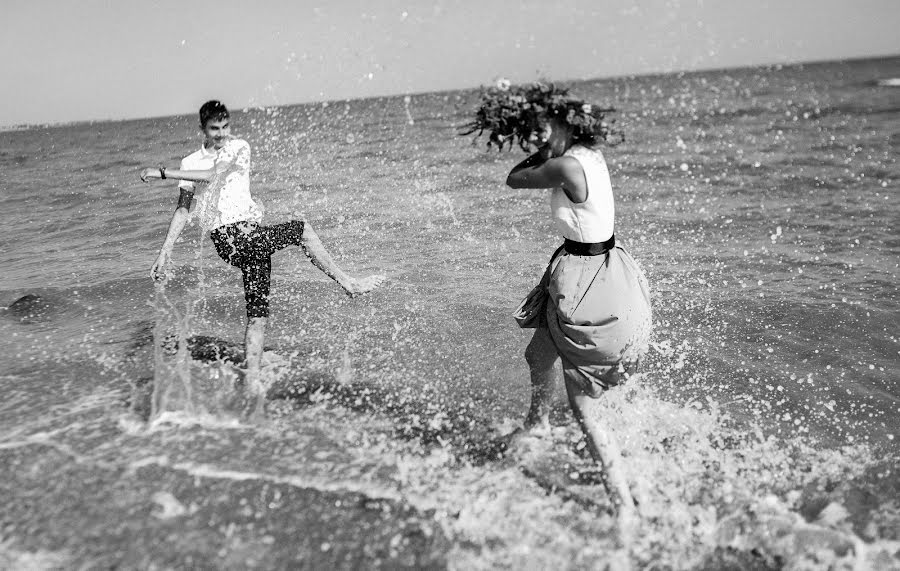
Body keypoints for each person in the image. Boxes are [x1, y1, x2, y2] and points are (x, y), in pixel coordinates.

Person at [463, 82, 652, 525]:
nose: (534, 139)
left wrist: (542, 148)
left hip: (588, 280)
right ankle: (538, 424)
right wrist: (548, 136)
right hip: (588, 266)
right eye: (528, 131)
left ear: (564, 125)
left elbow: (514, 179)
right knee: (538, 354)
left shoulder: (566, 166)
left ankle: (621, 504)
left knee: (583, 404)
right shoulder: (589, 153)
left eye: (540, 130)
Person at [140, 100, 384, 415]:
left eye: (225, 127)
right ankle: (348, 283)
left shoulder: (239, 147)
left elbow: (213, 173)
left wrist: (162, 172)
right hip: (229, 239)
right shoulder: (189, 162)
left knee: (258, 315)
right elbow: (184, 209)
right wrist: (165, 251)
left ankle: (252, 383)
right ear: (202, 129)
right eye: (214, 129)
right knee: (300, 229)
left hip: (254, 236)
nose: (221, 134)